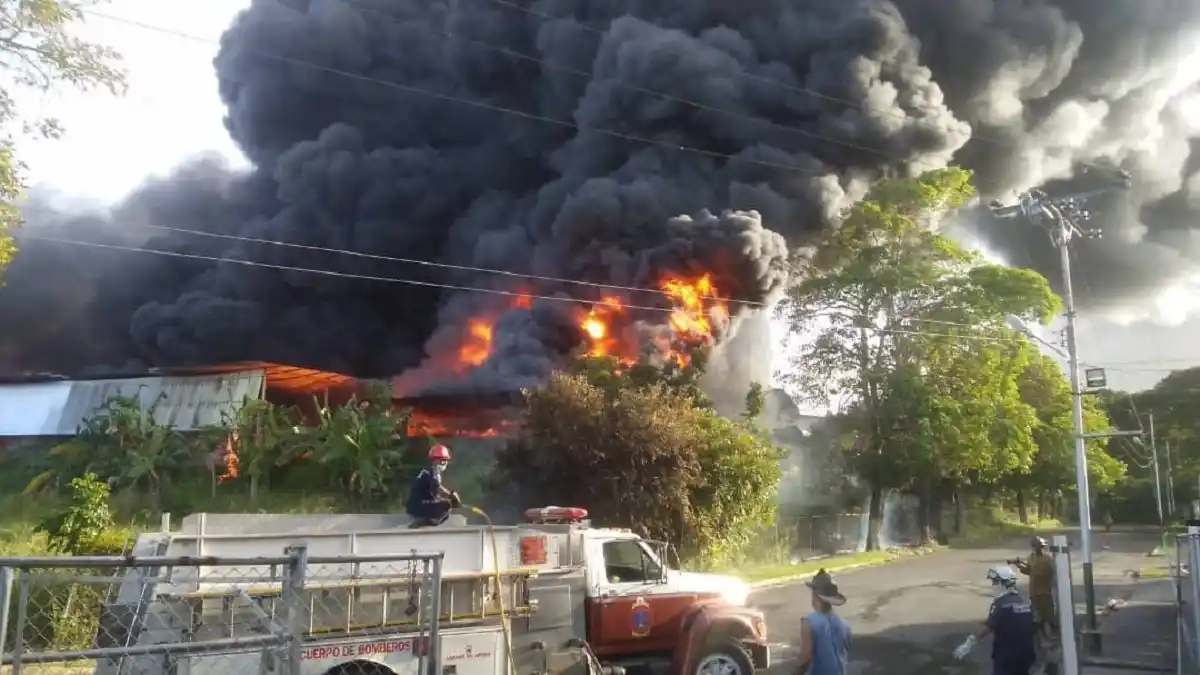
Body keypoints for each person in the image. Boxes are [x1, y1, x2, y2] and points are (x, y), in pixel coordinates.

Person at [953, 566, 1037, 675]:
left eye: (995, 582)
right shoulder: (1024, 602)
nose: (993, 585)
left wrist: (970, 642)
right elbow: (1032, 625)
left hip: (1006, 658)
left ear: (1003, 583)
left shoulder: (1001, 604)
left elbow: (988, 628)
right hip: (1025, 656)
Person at [795, 568, 851, 675]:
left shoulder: (809, 622)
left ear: (815, 596)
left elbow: (806, 654)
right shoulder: (845, 626)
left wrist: (795, 672)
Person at [1009, 536, 1056, 638]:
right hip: (1034, 590)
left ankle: (1049, 634)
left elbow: (1052, 572)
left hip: (1045, 590)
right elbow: (1029, 571)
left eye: (1039, 546)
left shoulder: (1047, 558)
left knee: (1047, 614)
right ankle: (1042, 637)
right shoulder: (1031, 558)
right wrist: (1018, 565)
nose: (1037, 548)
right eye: (1035, 546)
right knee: (1036, 615)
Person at [405, 443, 460, 527]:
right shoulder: (436, 469)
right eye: (445, 460)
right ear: (443, 461)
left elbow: (433, 491)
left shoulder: (426, 470)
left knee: (441, 502)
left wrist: (442, 497)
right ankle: (425, 522)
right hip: (422, 506)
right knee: (446, 506)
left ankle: (423, 520)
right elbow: (436, 486)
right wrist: (451, 497)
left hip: (412, 507)